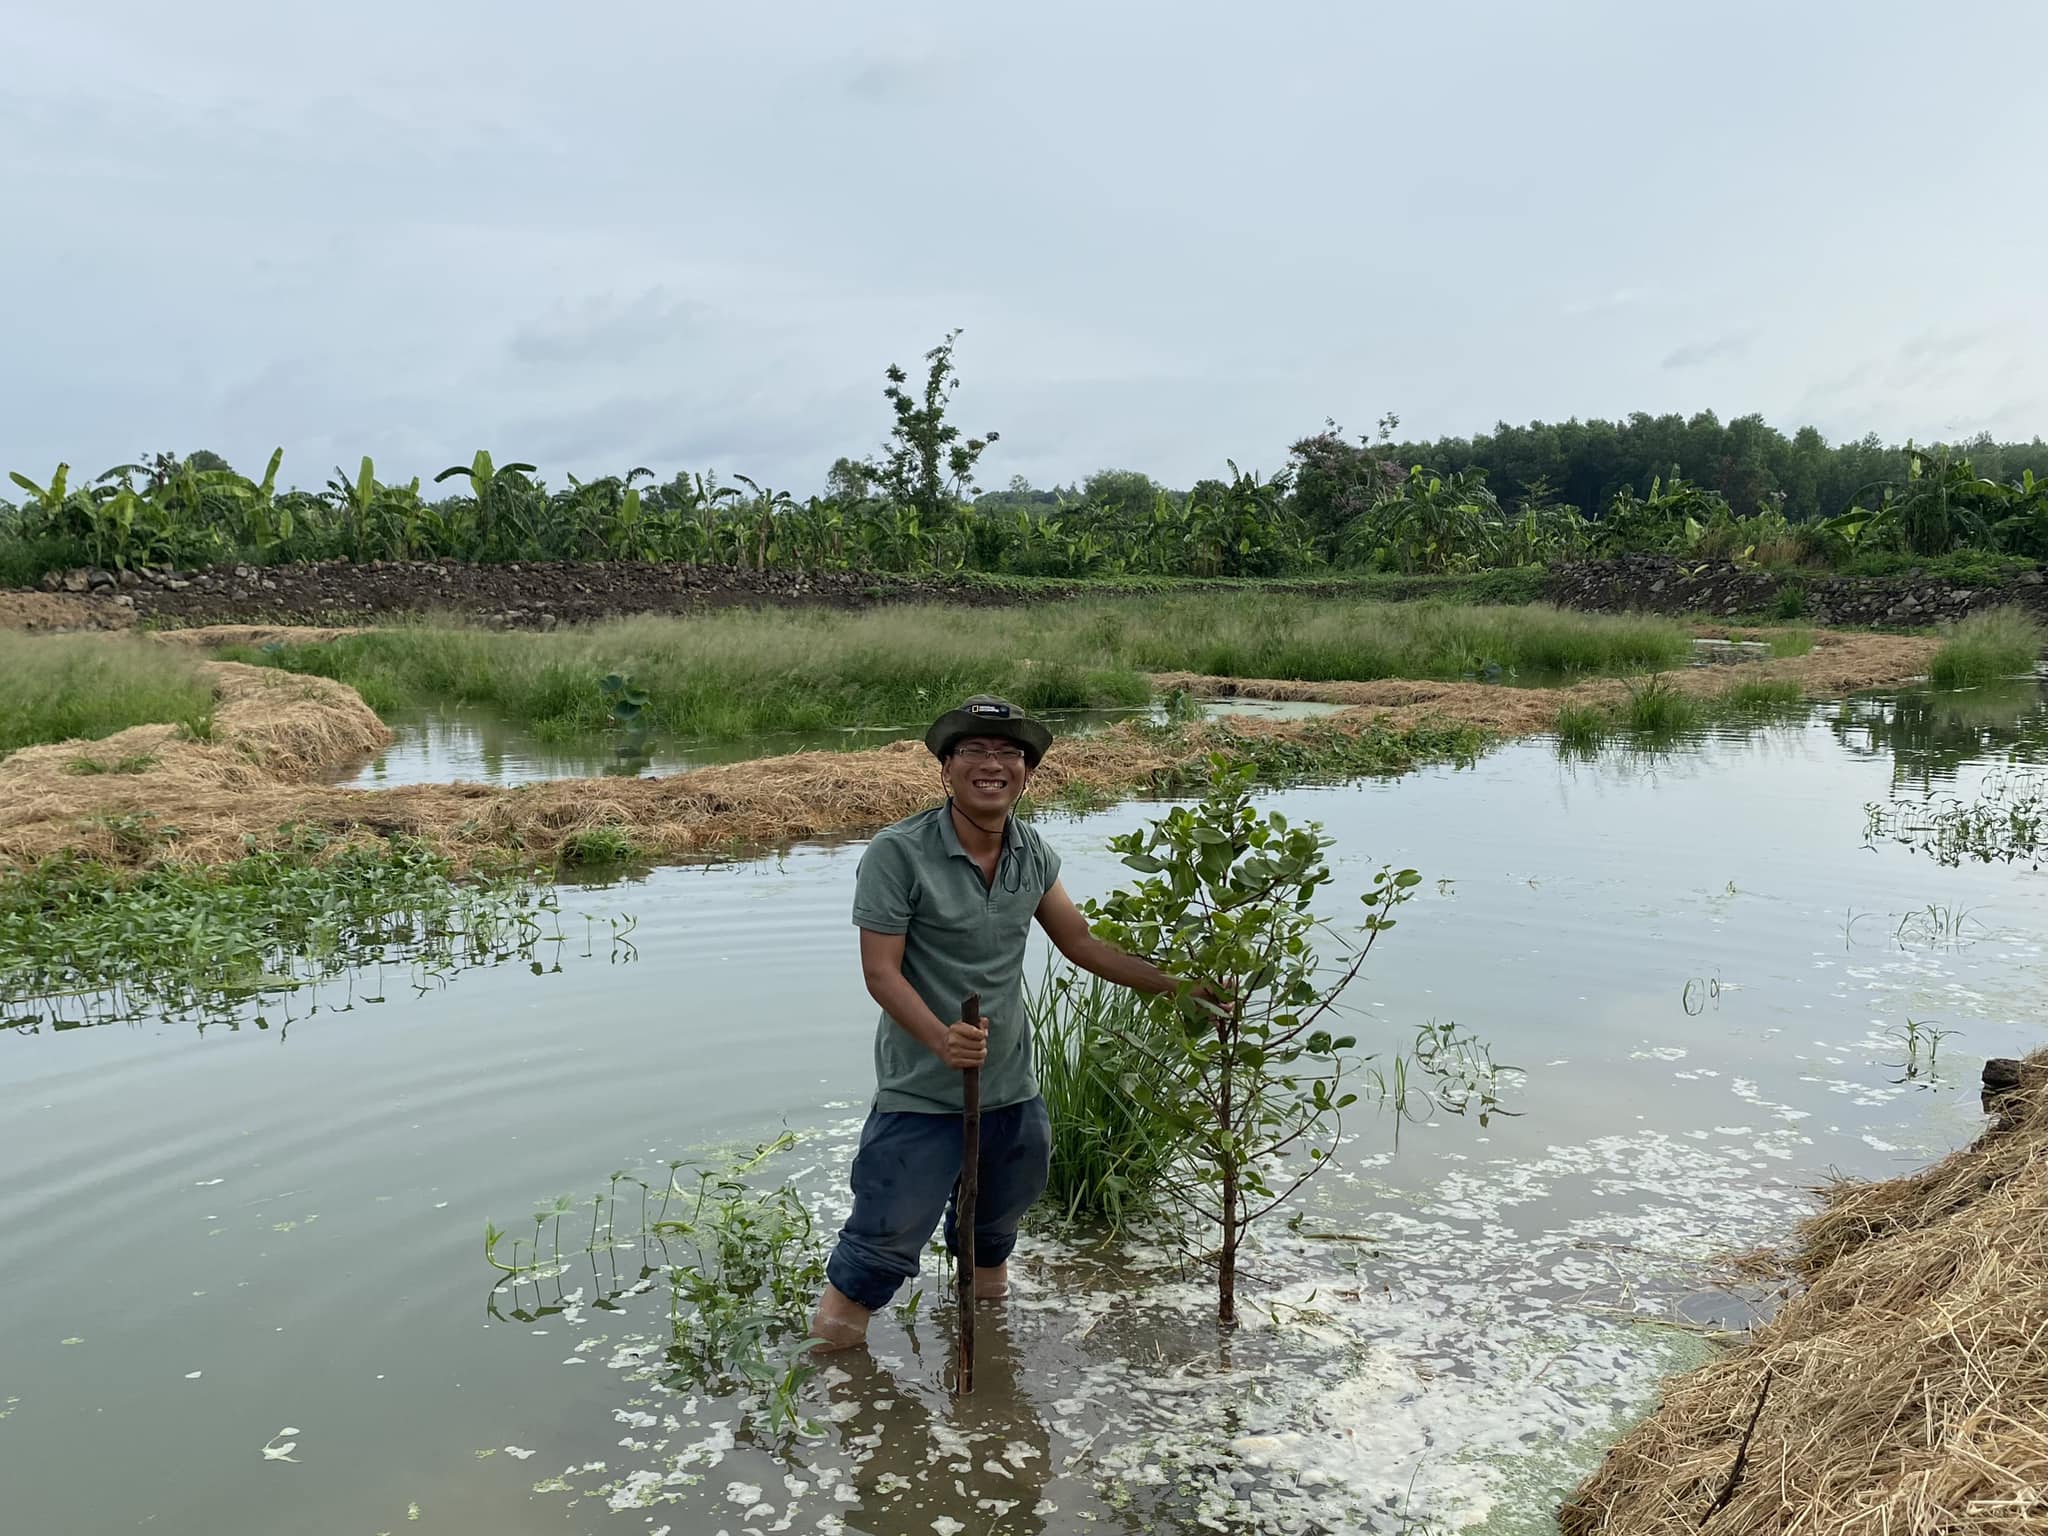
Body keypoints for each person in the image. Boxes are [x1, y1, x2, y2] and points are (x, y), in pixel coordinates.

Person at [808, 695, 1195, 1349]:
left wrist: (1185, 985)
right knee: (879, 1246)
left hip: (1011, 1090)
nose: (993, 765)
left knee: (993, 1235)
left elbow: (1083, 944)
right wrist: (940, 1038)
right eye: (975, 752)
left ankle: (989, 1360)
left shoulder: (1032, 853)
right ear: (946, 770)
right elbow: (881, 973)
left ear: (1027, 772)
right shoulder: (898, 854)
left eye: (1009, 753)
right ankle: (831, 1375)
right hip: (923, 1093)